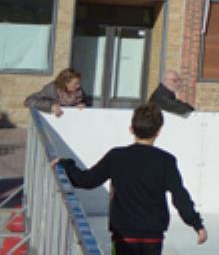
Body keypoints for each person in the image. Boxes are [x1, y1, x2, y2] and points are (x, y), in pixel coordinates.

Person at [53, 103, 207, 254]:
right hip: (152, 237)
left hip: (123, 236)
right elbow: (180, 197)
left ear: (131, 129)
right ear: (158, 132)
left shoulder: (116, 157)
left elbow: (86, 180)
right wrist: (196, 224)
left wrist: (66, 164)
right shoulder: (166, 161)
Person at [24, 68, 91, 117]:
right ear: (66, 83)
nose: (79, 85)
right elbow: (29, 101)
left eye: (79, 83)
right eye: (76, 83)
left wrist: (82, 104)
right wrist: (50, 106)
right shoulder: (51, 90)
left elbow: (86, 102)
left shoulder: (79, 91)